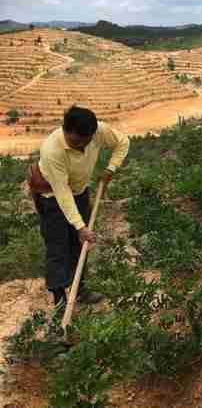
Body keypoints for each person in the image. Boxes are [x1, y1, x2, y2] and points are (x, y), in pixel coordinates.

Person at [28, 105, 130, 309]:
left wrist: (111, 168)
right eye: (75, 141)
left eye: (85, 141)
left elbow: (123, 142)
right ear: (65, 130)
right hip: (52, 197)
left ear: (93, 134)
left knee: (78, 245)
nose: (80, 145)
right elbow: (62, 192)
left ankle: (80, 289)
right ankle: (60, 302)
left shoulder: (99, 131)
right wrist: (80, 226)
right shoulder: (52, 150)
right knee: (58, 247)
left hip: (80, 192)